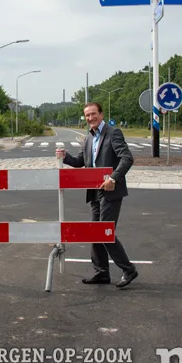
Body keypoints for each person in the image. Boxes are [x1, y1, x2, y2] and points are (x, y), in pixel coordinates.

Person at [56, 102, 138, 288]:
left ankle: (128, 269)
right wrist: (65, 156)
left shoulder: (113, 133)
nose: (90, 118)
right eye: (87, 115)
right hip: (94, 192)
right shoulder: (88, 138)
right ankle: (101, 272)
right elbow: (81, 162)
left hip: (110, 190)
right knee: (95, 233)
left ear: (101, 114)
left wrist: (114, 179)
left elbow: (127, 158)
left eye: (93, 114)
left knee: (104, 232)